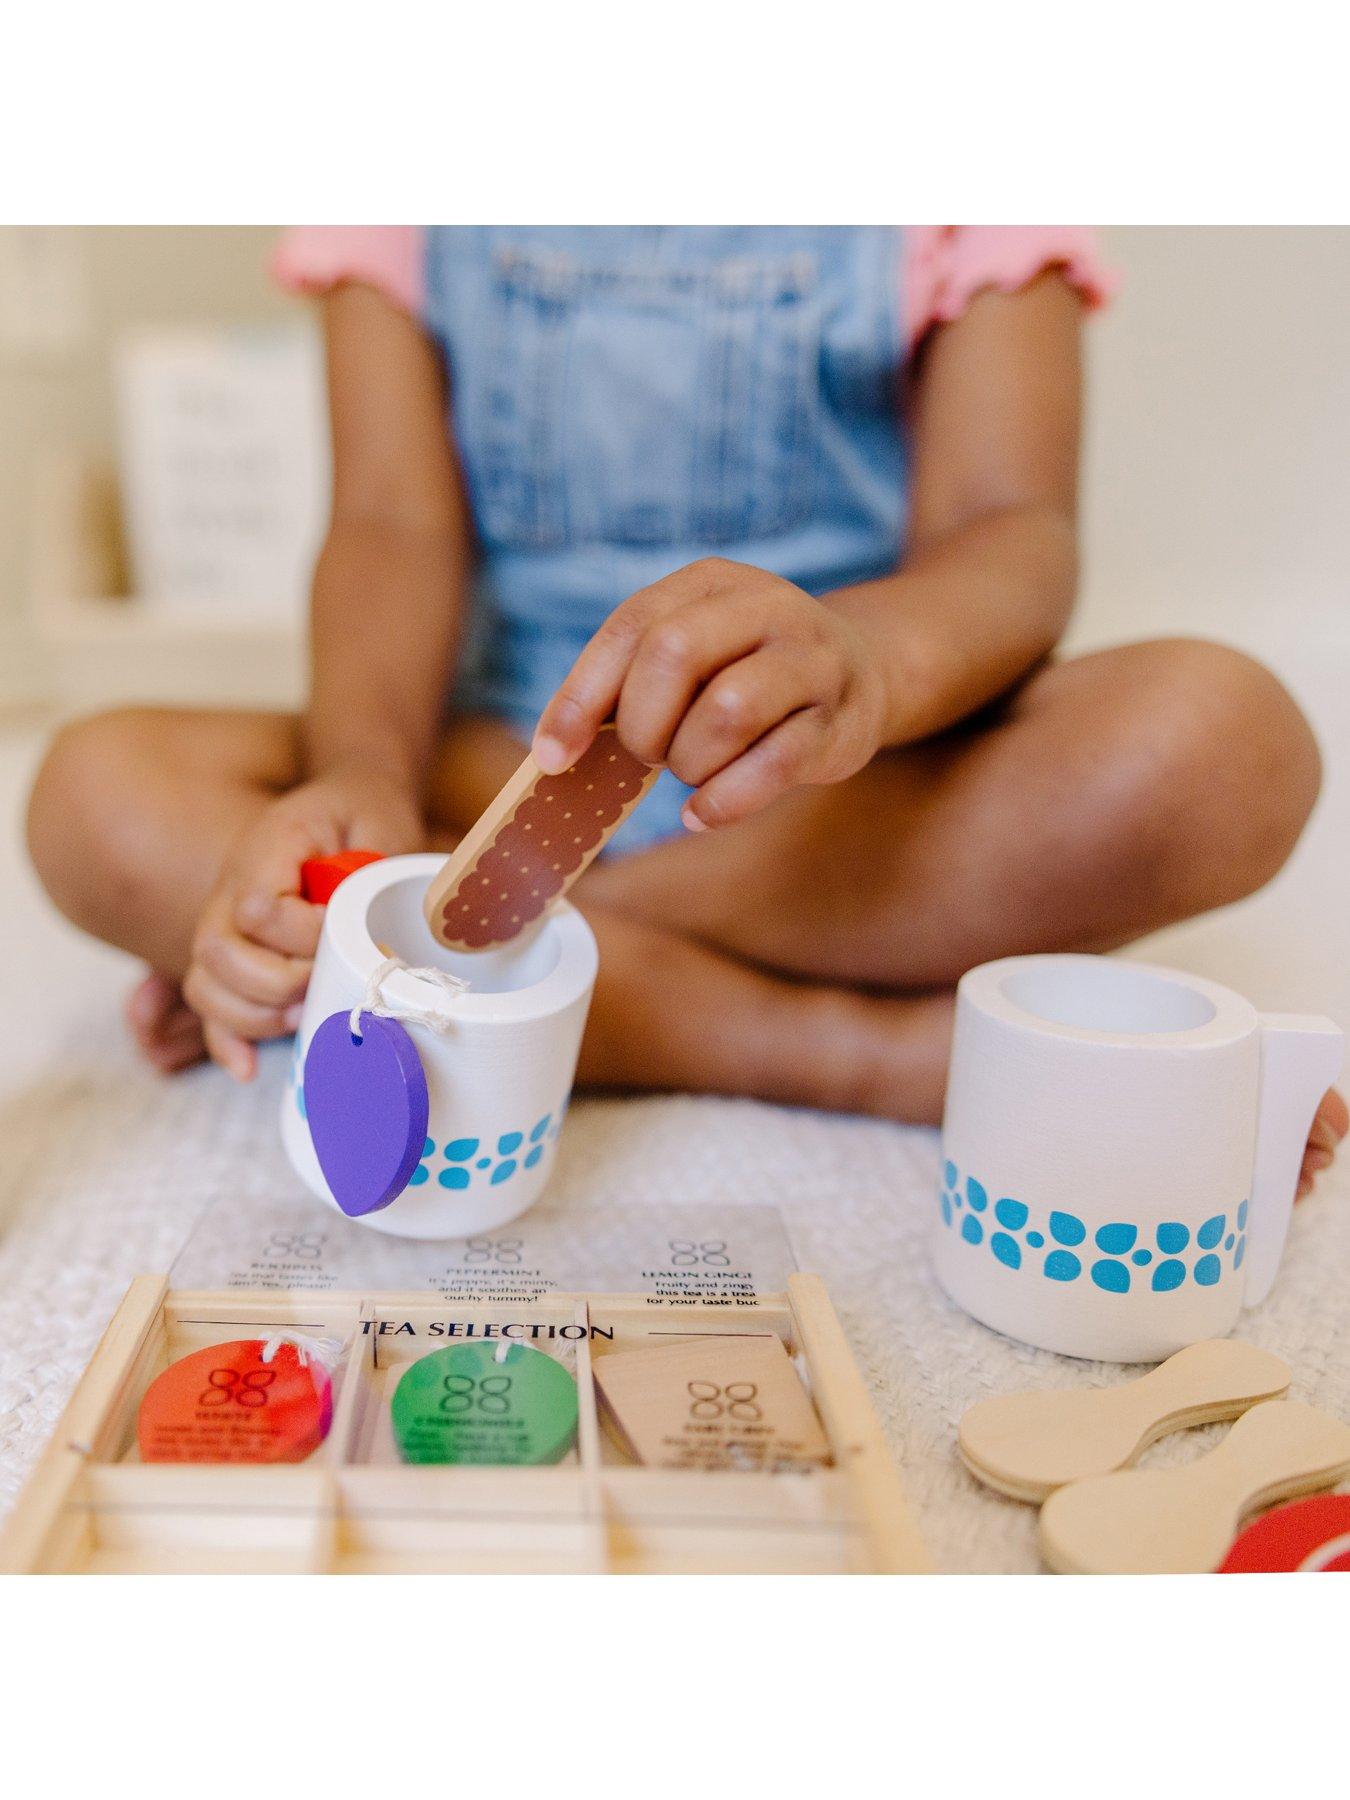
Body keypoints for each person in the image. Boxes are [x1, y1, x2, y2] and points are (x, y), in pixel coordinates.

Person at [26, 226, 1344, 1194]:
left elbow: (1010, 534)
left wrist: (867, 661)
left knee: (1222, 746)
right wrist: (358, 773)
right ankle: (857, 1050)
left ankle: (400, 970)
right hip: (489, 767)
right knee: (93, 793)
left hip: (823, 797)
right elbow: (386, 520)